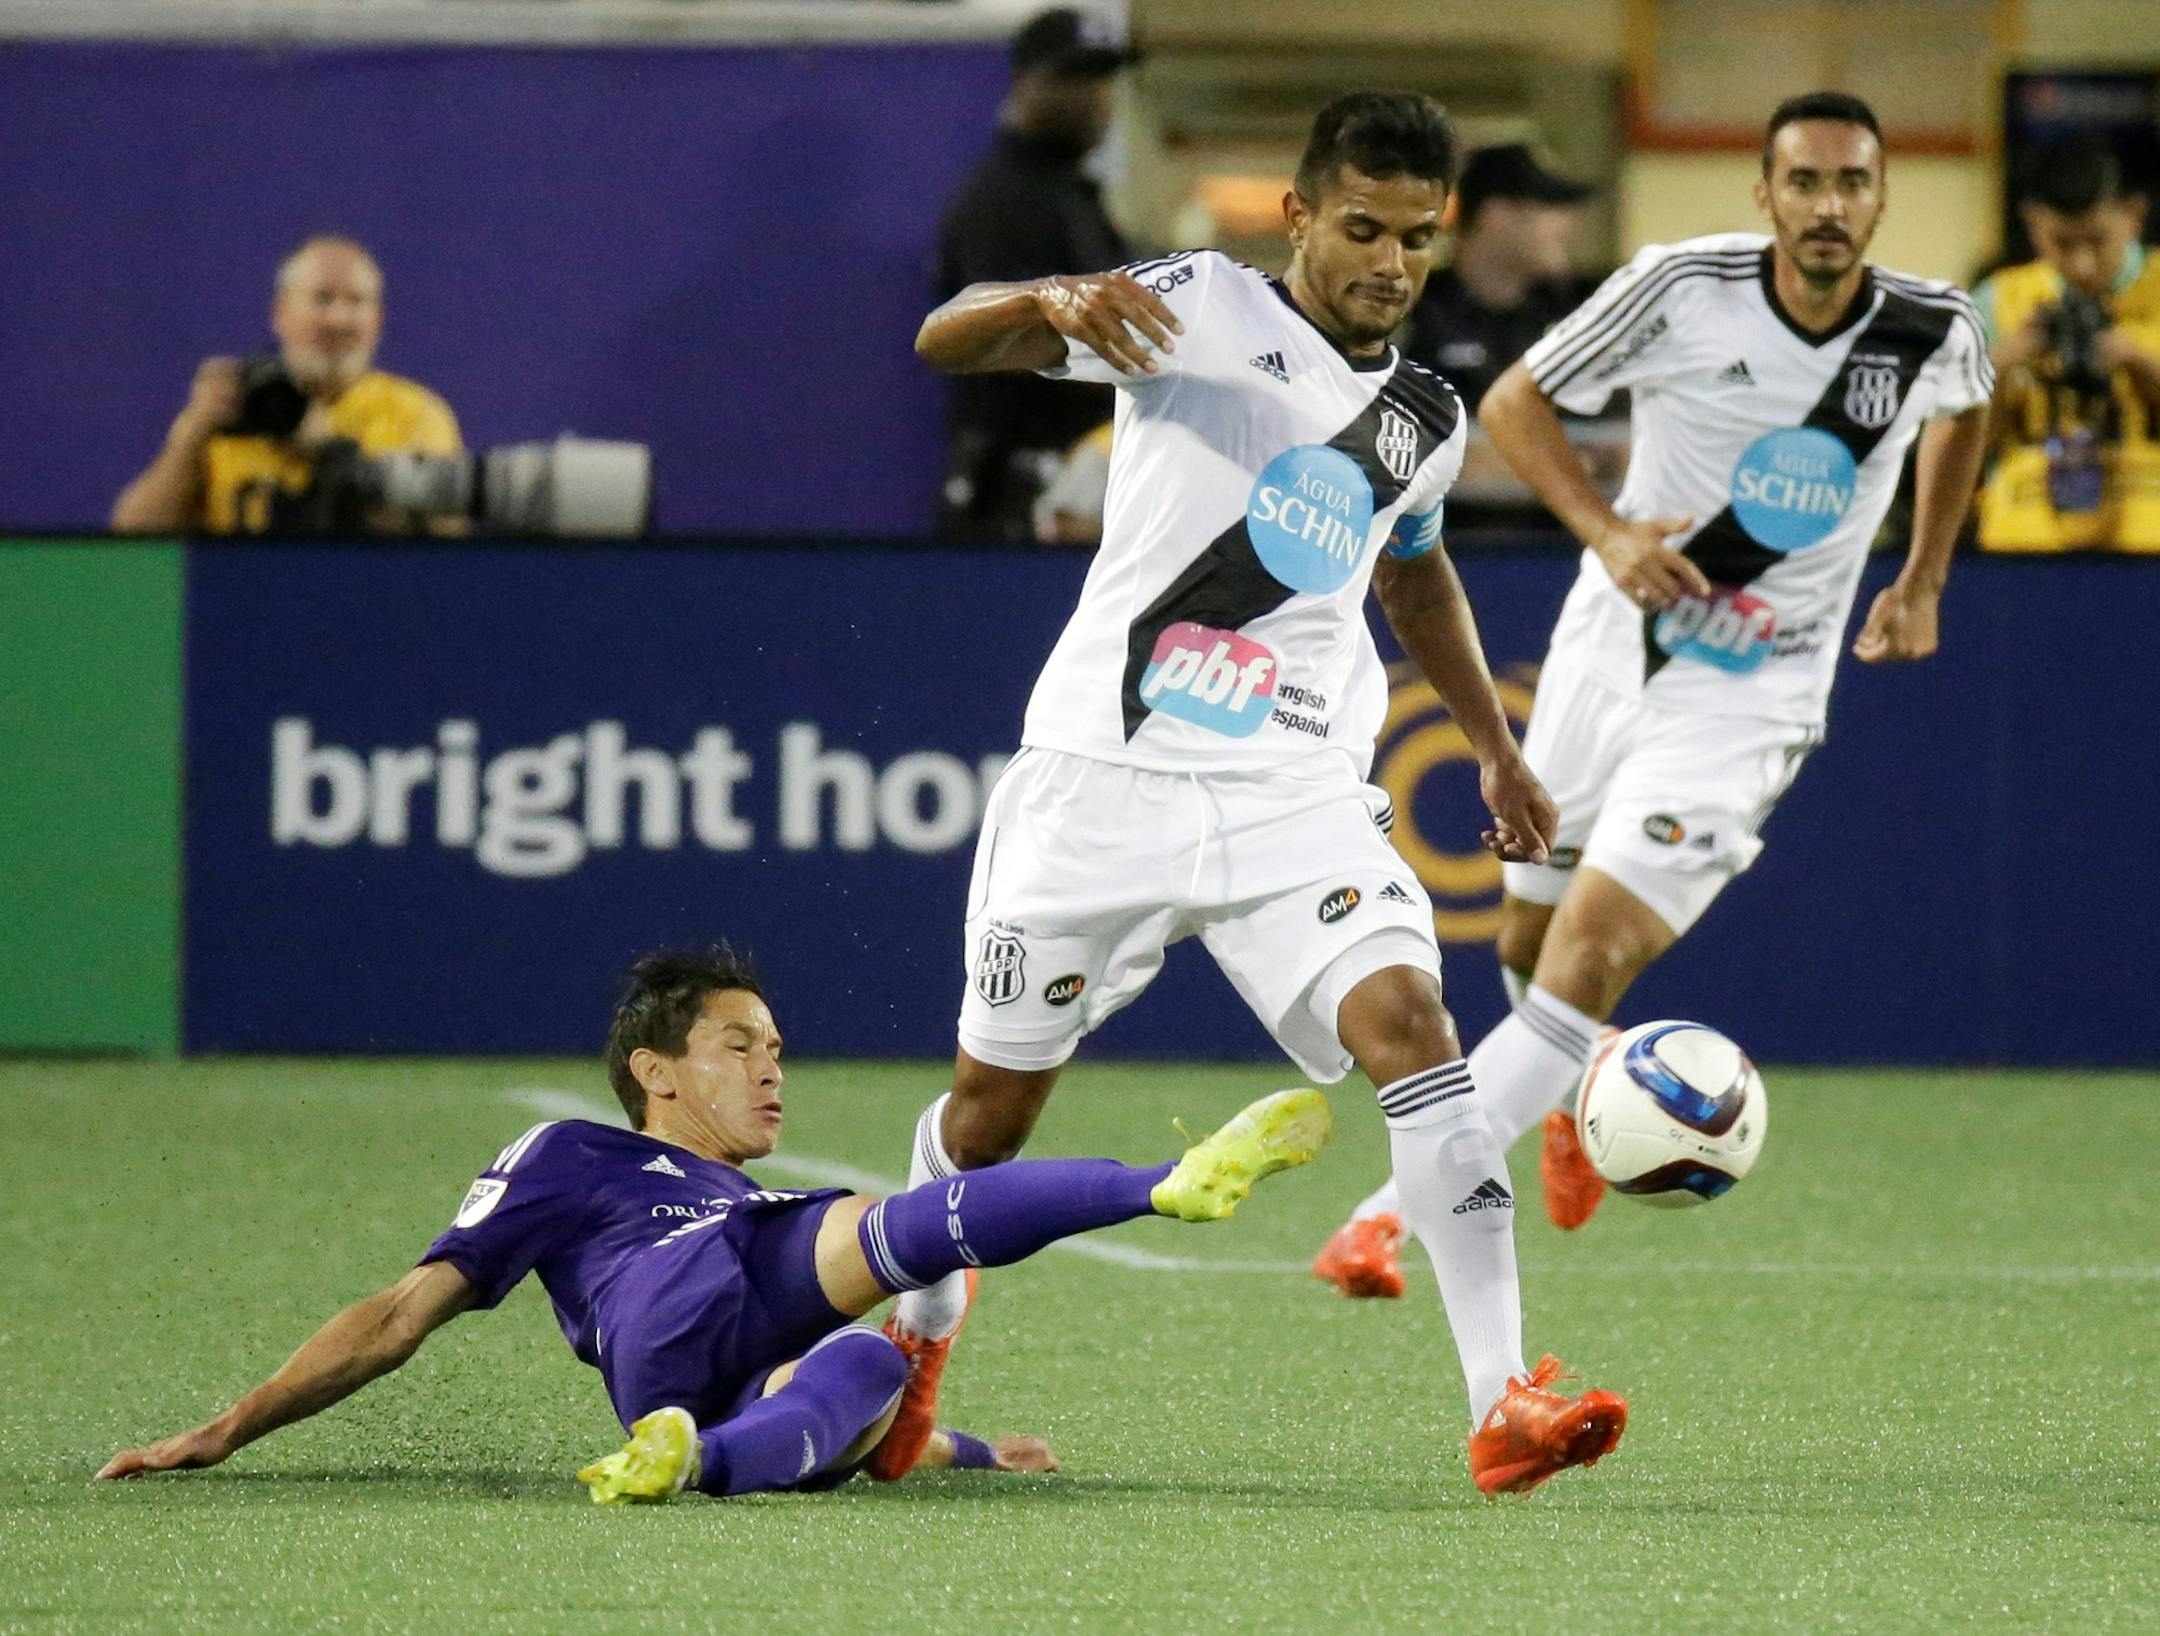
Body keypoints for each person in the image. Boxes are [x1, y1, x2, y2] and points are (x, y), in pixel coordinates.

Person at [893, 89, 1629, 1499]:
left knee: (1416, 1030)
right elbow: (946, 337)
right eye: (1363, 228)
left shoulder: (1424, 410)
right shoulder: (1197, 303)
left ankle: (1503, 1400)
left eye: (1418, 238)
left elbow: (1409, 570)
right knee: (989, 1123)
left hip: (1291, 786)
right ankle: (920, 1357)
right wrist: (1055, 293)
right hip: (1103, 777)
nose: (1392, 262)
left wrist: (1491, 741)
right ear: (1297, 215)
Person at [1312, 91, 1995, 1295]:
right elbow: (1515, 402)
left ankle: (1387, 1216)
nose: (1828, 207)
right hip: (1610, 649)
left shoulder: (1932, 328)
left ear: (1881, 198)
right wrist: (1609, 531)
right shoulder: (1681, 285)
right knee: (1525, 936)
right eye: (1804, 183)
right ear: (1764, 194)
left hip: (1754, 690)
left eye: (1851, 184)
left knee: (1587, 955)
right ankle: (1579, 1096)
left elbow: (1968, 405)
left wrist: (1925, 571)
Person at [97, 948, 1330, 1502]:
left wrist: (964, 1454)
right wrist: (231, 1426)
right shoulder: (574, 1155)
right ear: (658, 1071)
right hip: (668, 1289)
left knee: (861, 1373)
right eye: (739, 1046)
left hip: (680, 1390)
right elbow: (401, 1313)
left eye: (779, 1050)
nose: (771, 1072)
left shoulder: (749, 1191)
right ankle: (1163, 1180)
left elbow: (846, 1405)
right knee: (896, 1229)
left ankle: (693, 1464)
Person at [931, 7, 1140, 542]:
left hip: (1078, 481)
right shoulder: (1000, 199)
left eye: (1103, 79)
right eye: (1076, 77)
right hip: (1018, 492)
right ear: (1026, 82)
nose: (1096, 97)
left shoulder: (1074, 197)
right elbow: (1001, 349)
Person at [111, 235, 461, 536]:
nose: (338, 319)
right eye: (322, 299)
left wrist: (331, 457)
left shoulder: (415, 413)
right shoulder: (237, 405)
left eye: (356, 301)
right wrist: (191, 439)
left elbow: (445, 536)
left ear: (378, 320)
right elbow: (133, 538)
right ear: (281, 313)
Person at [1974, 138, 2160, 552]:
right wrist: (2005, 361)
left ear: (2133, 216)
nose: (2081, 263)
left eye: (2097, 241)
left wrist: (2138, 360)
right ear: (2032, 221)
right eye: (2061, 242)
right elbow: (1952, 444)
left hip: (2148, 555)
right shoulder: (1997, 301)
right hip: (2019, 554)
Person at [1404, 143, 1598, 414]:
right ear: (1497, 214)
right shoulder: (1412, 313)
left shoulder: (1575, 317)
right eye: (1549, 205)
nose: (1567, 225)